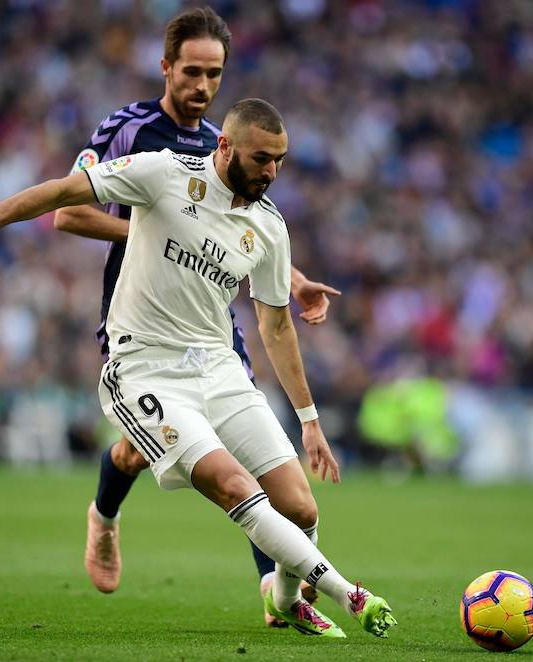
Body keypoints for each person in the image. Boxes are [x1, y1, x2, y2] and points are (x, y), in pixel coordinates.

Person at [0, 98, 397, 639]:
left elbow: (276, 328)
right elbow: (60, 195)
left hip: (218, 367)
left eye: (280, 161)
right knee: (232, 484)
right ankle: (352, 594)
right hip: (144, 367)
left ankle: (287, 599)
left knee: (299, 506)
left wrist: (310, 420)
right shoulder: (163, 171)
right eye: (262, 159)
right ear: (225, 147)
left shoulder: (270, 226)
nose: (272, 172)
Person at [52, 6, 340, 626]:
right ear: (166, 67)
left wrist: (291, 280)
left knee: (247, 452)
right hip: (139, 319)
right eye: (191, 72)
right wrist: (153, 229)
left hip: (212, 328)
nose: (202, 87)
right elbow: (67, 213)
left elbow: (242, 234)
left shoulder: (224, 144)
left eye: (214, 74)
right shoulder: (126, 130)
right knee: (133, 451)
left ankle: (273, 595)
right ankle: (103, 517)